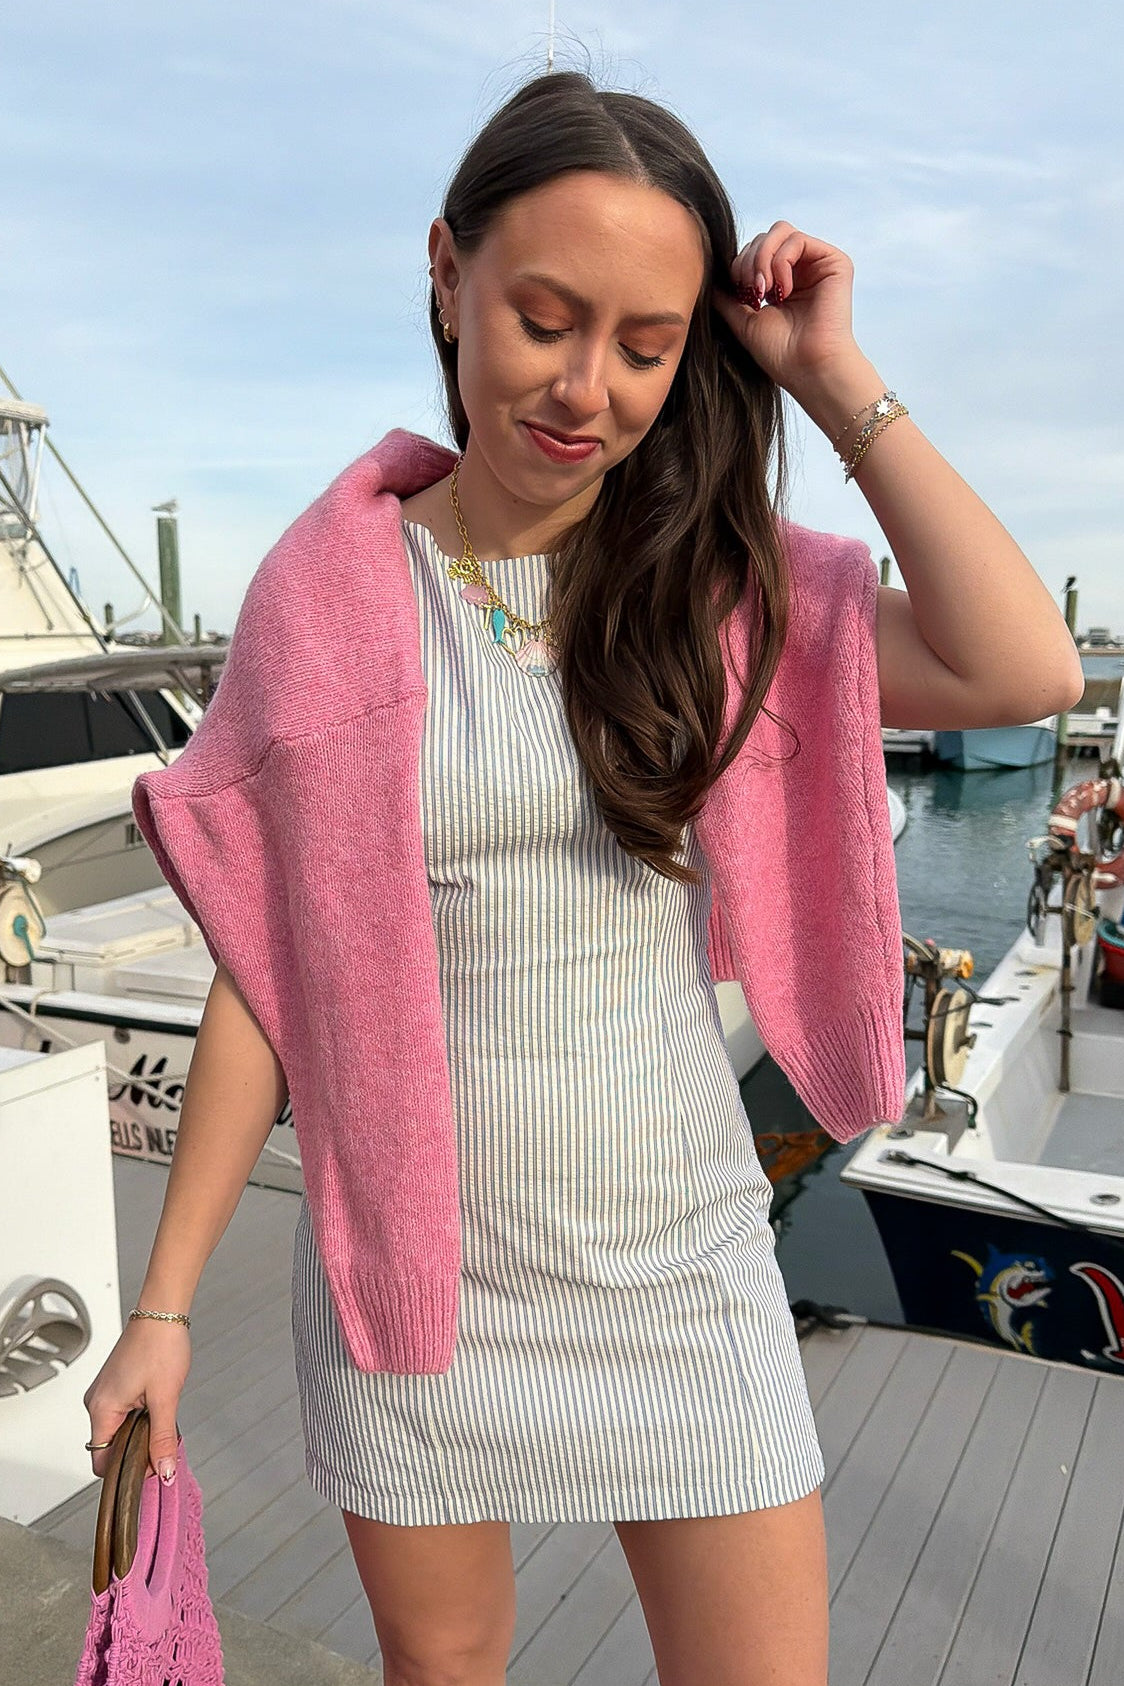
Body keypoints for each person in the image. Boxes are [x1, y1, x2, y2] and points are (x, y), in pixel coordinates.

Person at [82, 68, 1083, 1686]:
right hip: (413, 1276)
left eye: (646, 343)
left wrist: (833, 378)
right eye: (546, 317)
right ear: (445, 270)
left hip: (681, 1258)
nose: (587, 387)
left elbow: (1023, 661)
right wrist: (167, 1303)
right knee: (450, 1665)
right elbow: (270, 973)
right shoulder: (329, 595)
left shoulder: (716, 588)